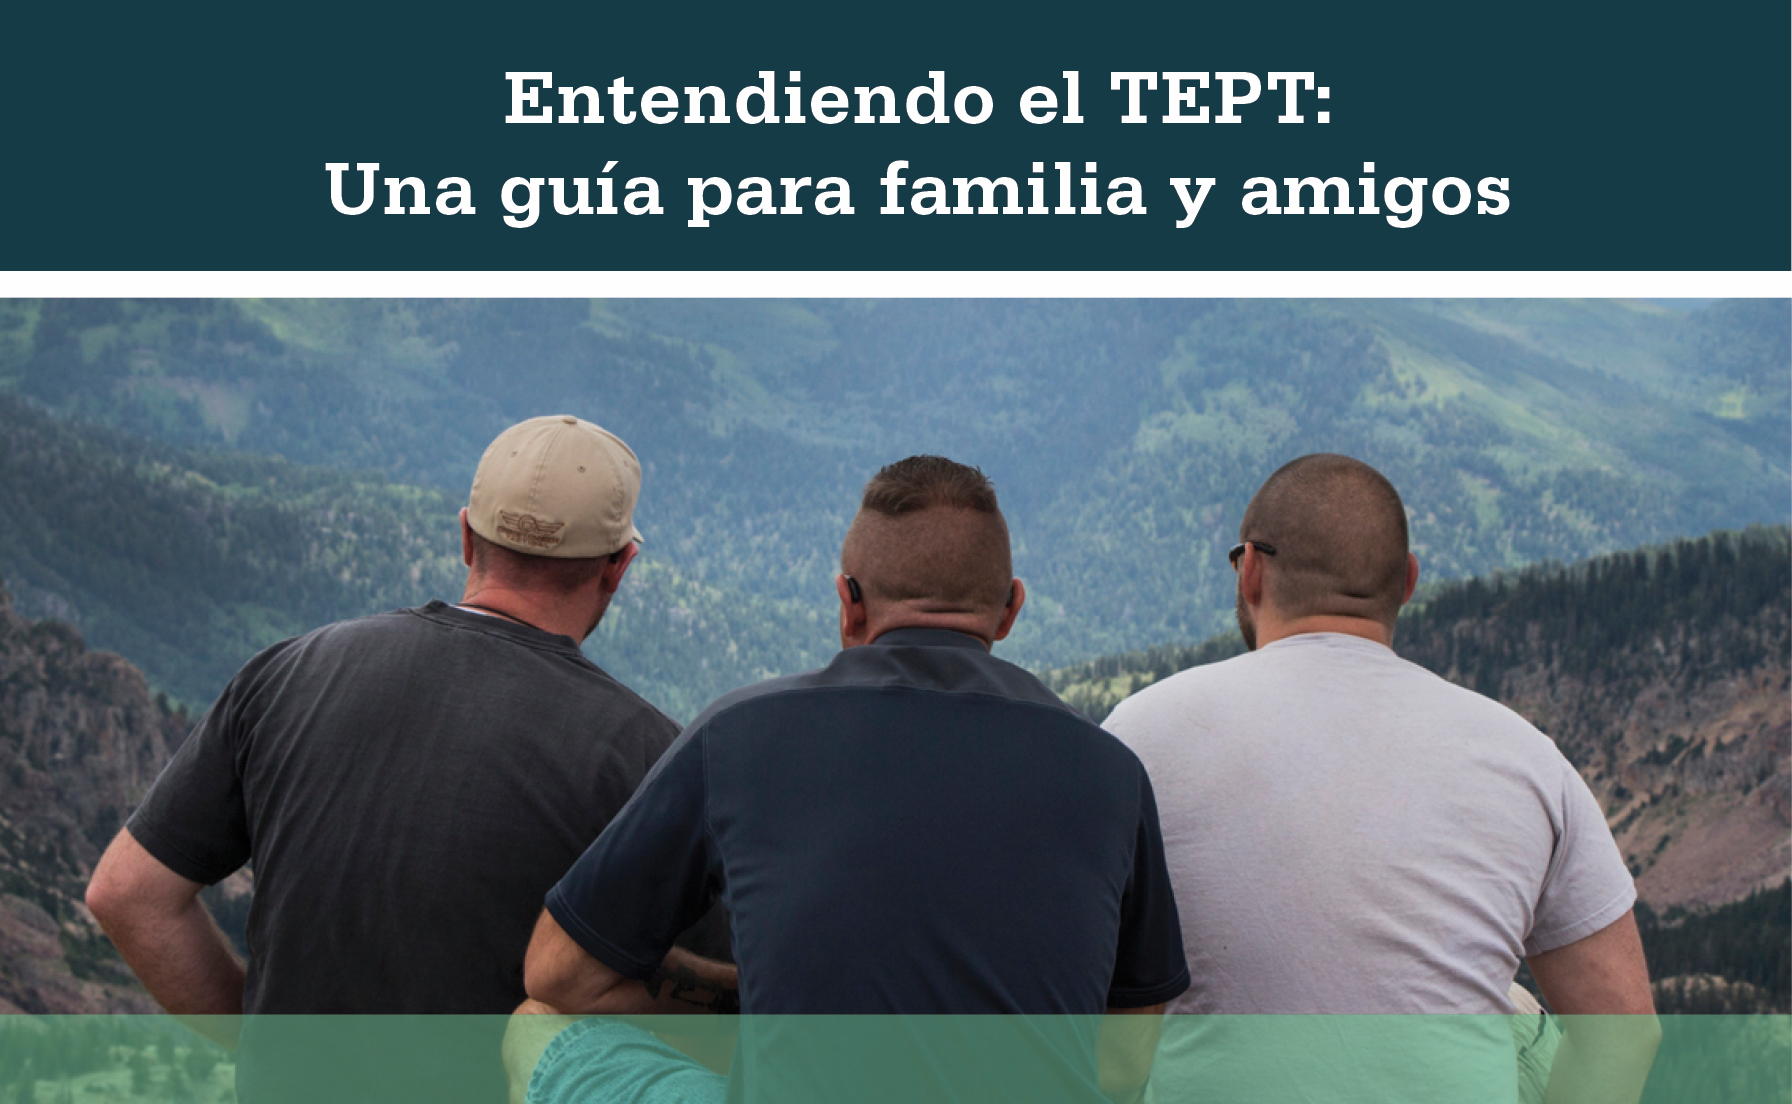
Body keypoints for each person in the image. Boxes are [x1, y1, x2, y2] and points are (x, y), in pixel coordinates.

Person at [85, 415, 726, 1101]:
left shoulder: (288, 673)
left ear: (465, 536)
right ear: (619, 567)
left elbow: (128, 896)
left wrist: (266, 1048)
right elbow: (747, 993)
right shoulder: (651, 755)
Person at [513, 455, 1189, 1104]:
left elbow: (561, 974)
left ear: (848, 604)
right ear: (1010, 610)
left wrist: (756, 998)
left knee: (536, 1026)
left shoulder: (740, 735)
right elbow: (1124, 1063)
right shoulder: (1112, 772)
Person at [1103, 453, 1660, 1103]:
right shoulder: (1525, 756)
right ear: (1408, 583)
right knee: (1513, 1012)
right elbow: (1624, 1034)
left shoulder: (1140, 735)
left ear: (1250, 570)